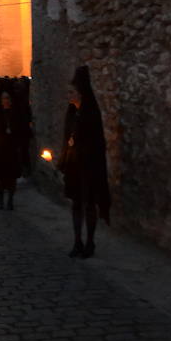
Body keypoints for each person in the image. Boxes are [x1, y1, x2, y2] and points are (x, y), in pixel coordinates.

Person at [57, 65, 111, 258]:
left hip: (88, 167)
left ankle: (90, 242)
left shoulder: (90, 114)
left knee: (89, 204)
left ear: (80, 94)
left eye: (71, 92)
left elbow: (95, 142)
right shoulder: (71, 113)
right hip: (74, 166)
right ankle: (77, 241)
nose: (68, 95)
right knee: (76, 204)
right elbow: (67, 139)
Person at [0, 90, 22, 210]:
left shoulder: (16, 113)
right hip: (0, 147)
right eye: (4, 98)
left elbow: (20, 129)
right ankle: (0, 198)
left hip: (12, 148)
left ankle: (10, 199)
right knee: (1, 175)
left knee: (11, 176)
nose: (6, 100)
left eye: (8, 98)